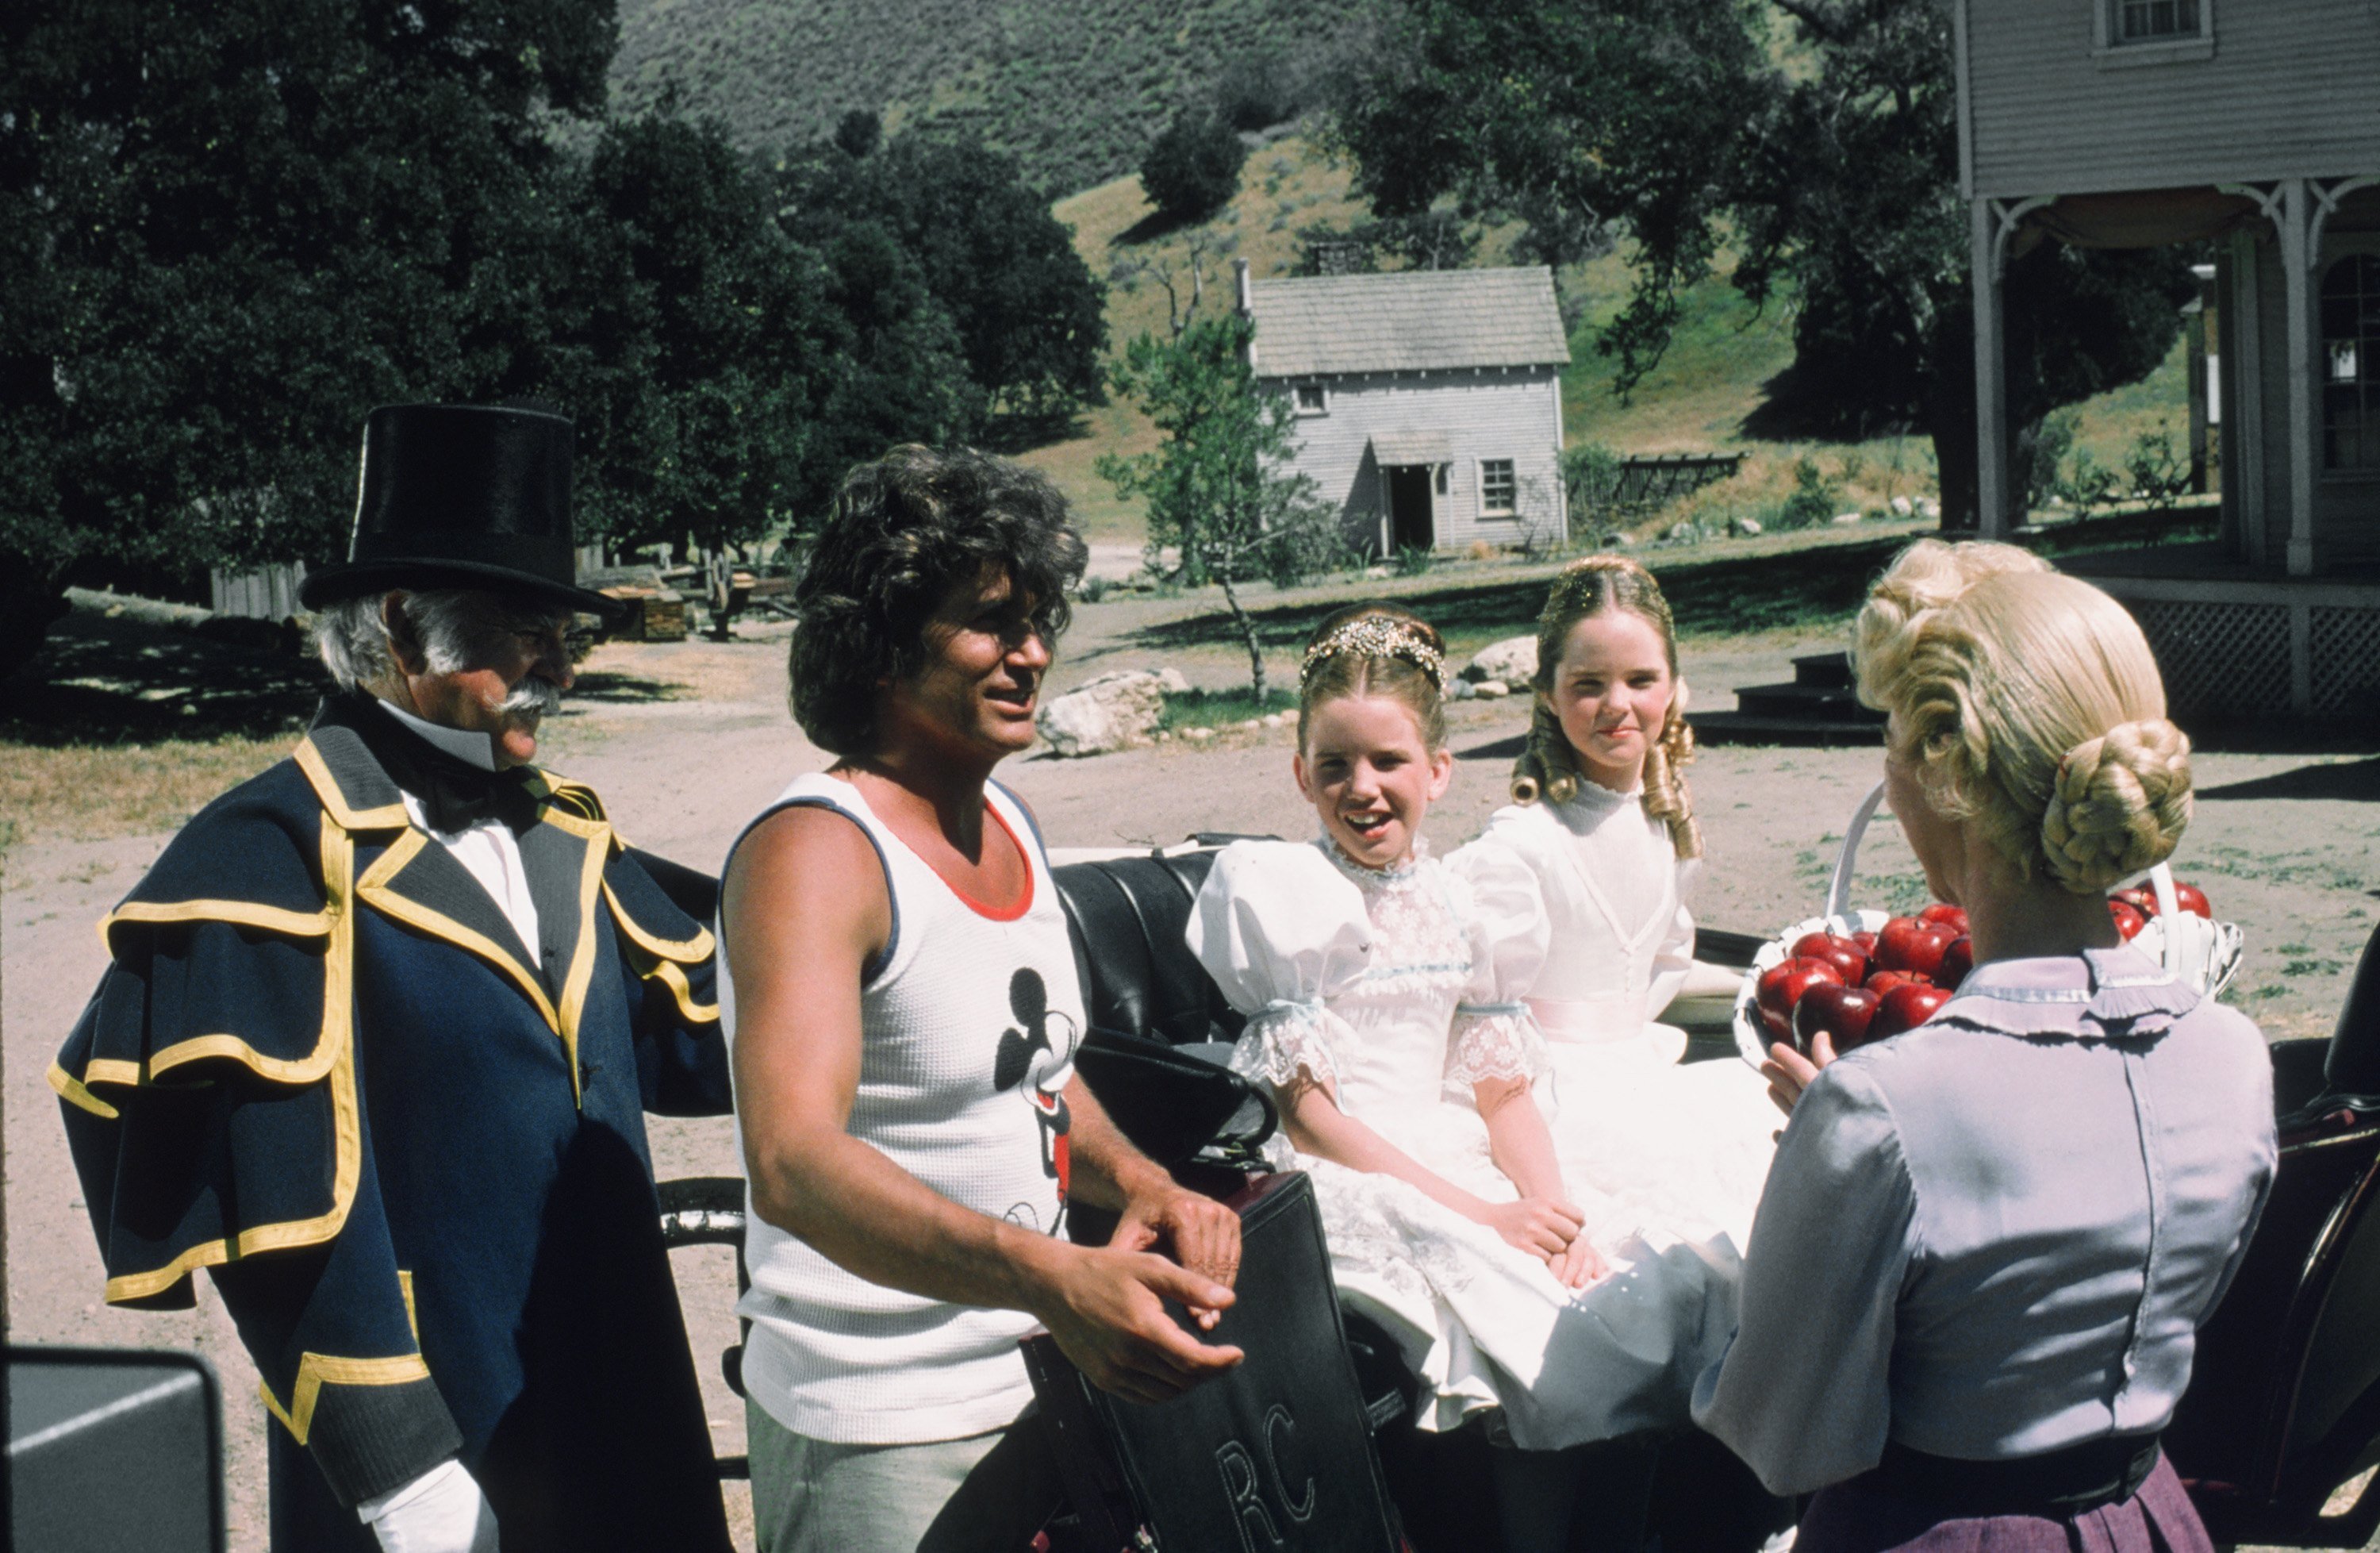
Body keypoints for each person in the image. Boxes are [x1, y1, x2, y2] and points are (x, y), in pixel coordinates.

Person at [51, 402, 737, 1552]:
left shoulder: (572, 833)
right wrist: (396, 1469)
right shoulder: (267, 854)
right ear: (406, 628)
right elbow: (278, 1214)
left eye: (564, 637)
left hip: (626, 1400)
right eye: (524, 633)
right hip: (442, 1437)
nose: (558, 669)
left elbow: (694, 1044)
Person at [1694, 540, 2277, 1553]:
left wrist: (1828, 1153)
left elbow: (1780, 1438)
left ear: (1940, 765)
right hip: (2151, 1517)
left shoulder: (1881, 1109)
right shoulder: (2233, 1053)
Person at [722, 445, 1245, 1553]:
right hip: (883, 1427)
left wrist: (1145, 1179)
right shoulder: (816, 852)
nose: (1034, 653)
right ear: (880, 646)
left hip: (1042, 1383)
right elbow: (794, 1164)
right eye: (991, 624)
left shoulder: (1006, 819)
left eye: (1040, 619)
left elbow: (1036, 1075)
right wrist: (1055, 1275)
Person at [1187, 603, 1737, 1553]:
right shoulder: (1288, 896)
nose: (1363, 789)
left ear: (1438, 772)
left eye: (1388, 762)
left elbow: (1501, 1085)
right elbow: (1311, 1117)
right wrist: (1485, 1217)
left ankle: (1619, 1527)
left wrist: (1547, 1204)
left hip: (1457, 1148)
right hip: (1352, 1167)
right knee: (1533, 1330)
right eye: (1335, 766)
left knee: (1646, 1278)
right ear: (1301, 776)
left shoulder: (1463, 902)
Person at [1453, 556, 1777, 1267]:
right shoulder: (1520, 846)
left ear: (1676, 687)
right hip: (1556, 1099)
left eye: (1640, 681)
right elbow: (1479, 1021)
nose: (1616, 704)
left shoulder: (1667, 824)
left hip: (1644, 1069)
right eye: (1588, 685)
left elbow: (1660, 968)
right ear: (1547, 694)